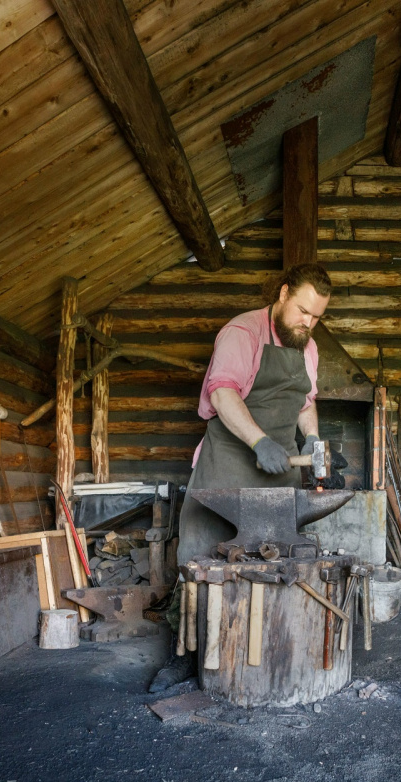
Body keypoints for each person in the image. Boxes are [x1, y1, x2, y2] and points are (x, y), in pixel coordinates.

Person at [149, 263, 332, 692]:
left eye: (317, 316)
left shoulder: (308, 346)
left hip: (279, 474)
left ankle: (263, 650)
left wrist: (312, 440)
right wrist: (259, 442)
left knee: (273, 562)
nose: (309, 322)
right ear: (284, 293)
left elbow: (305, 401)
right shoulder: (242, 332)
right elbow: (223, 391)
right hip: (229, 465)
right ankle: (184, 655)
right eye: (304, 310)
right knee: (200, 562)